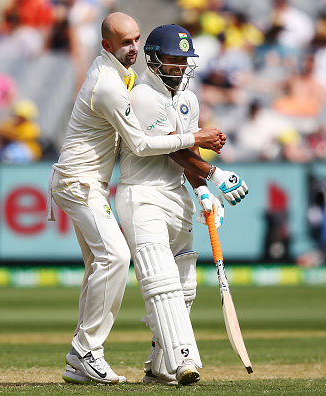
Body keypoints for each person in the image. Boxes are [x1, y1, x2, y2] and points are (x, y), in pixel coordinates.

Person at [47, 13, 226, 385]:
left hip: (91, 183)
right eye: (124, 42)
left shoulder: (124, 75)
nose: (133, 49)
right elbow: (142, 145)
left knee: (101, 265)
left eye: (136, 40)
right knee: (114, 256)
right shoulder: (109, 84)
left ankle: (87, 355)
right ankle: (84, 353)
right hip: (78, 182)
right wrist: (199, 145)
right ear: (106, 46)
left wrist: (203, 188)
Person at [114, 24, 248, 385]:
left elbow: (188, 154)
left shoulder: (189, 99)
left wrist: (203, 191)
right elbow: (171, 145)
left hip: (176, 195)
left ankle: (158, 366)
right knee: (161, 281)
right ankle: (183, 360)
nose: (179, 67)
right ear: (154, 59)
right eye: (172, 59)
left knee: (185, 286)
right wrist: (217, 176)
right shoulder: (141, 95)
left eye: (184, 60)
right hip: (141, 194)